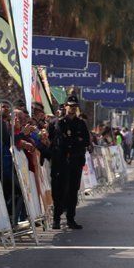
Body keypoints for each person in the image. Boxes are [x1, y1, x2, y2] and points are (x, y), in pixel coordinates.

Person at [47, 96, 90, 230]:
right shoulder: (56, 123)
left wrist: (74, 142)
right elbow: (51, 141)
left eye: (74, 107)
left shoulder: (81, 124)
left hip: (74, 163)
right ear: (65, 107)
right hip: (60, 162)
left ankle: (71, 219)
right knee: (58, 191)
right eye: (70, 106)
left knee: (72, 191)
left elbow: (86, 141)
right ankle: (56, 219)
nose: (72, 109)